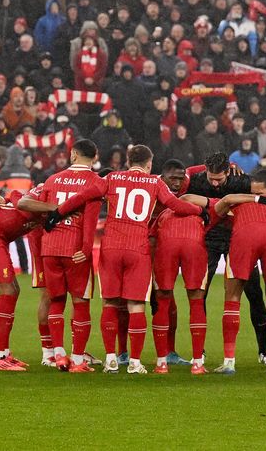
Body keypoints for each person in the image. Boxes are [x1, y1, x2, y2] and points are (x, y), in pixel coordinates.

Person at [52, 145, 203, 374]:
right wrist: (200, 211)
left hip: (111, 247)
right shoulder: (154, 183)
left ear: (128, 160)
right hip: (137, 248)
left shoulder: (112, 178)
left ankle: (111, 359)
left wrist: (58, 212)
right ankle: (134, 362)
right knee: (135, 305)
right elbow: (175, 205)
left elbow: (84, 196)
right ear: (149, 163)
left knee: (110, 303)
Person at [21, 139, 105, 372]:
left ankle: (58, 355)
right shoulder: (95, 182)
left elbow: (39, 213)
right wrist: (86, 249)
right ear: (94, 157)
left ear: (74, 154)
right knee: (80, 303)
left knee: (56, 300)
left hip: (50, 248)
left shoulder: (52, 179)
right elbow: (90, 220)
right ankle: (78, 360)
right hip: (75, 249)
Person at [208, 169, 266, 375]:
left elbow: (214, 207)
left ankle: (229, 361)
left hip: (245, 234)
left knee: (232, 296)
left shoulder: (237, 200)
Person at [185, 153, 266, 362]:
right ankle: (199, 352)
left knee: (254, 293)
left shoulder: (241, 180)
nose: (214, 183)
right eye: (211, 178)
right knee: (200, 292)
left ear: (228, 172)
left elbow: (263, 197)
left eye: (219, 179)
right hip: (209, 240)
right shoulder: (195, 181)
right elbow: (183, 183)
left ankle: (263, 351)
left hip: (238, 240)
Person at [0, 186, 56, 370]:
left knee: (13, 291)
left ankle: (4, 353)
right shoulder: (43, 196)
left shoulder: (43, 208)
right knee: (8, 292)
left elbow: (12, 195)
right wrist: (52, 207)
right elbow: (20, 198)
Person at [148, 160, 213, 374]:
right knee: (164, 302)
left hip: (163, 242)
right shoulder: (152, 186)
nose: (177, 183)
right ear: (162, 177)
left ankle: (166, 359)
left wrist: (230, 162)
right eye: (172, 179)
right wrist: (199, 211)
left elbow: (199, 168)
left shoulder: (184, 181)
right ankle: (191, 362)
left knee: (168, 301)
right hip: (154, 245)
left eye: (180, 179)